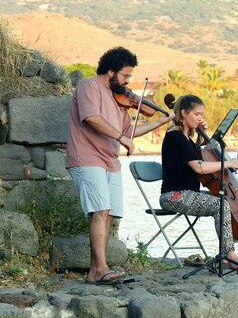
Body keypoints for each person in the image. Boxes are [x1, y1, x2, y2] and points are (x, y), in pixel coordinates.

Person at [66, 46, 174, 284]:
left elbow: (129, 131)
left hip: (110, 160)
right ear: (110, 71)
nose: (128, 82)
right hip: (87, 157)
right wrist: (121, 138)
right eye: (126, 76)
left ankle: (96, 270)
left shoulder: (120, 99)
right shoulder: (89, 85)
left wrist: (158, 122)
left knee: (110, 214)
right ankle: (101, 268)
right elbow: (92, 117)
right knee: (100, 210)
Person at [159, 94, 238, 269]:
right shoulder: (175, 136)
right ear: (184, 113)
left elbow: (196, 154)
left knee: (225, 197)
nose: (200, 118)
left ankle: (228, 252)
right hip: (174, 196)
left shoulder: (185, 138)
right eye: (197, 114)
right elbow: (199, 167)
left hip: (187, 193)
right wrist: (229, 163)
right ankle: (229, 255)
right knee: (220, 205)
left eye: (201, 114)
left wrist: (200, 136)